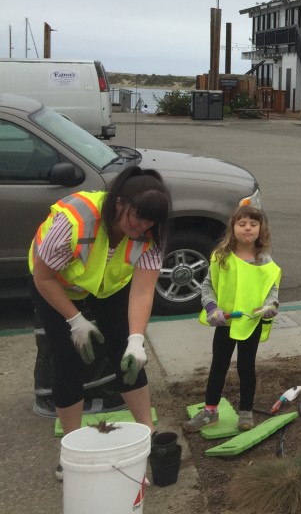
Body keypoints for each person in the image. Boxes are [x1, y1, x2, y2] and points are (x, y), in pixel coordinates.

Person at [29, 167, 171, 479]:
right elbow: (43, 276)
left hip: (108, 288)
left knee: (127, 356)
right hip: (56, 285)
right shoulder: (75, 220)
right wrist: (76, 320)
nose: (142, 227)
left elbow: (144, 290)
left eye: (151, 222)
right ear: (119, 202)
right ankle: (72, 451)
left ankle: (146, 434)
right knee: (67, 359)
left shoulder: (151, 234)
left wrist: (136, 339)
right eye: (138, 218)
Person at [184, 205, 281, 433]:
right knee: (219, 364)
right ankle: (210, 411)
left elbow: (272, 290)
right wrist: (211, 308)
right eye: (242, 224)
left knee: (247, 367)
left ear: (261, 229)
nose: (248, 228)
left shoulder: (264, 262)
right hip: (225, 322)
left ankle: (246, 410)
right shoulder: (221, 257)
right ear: (233, 227)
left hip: (250, 323)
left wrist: (270, 306)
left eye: (253, 224)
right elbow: (208, 286)